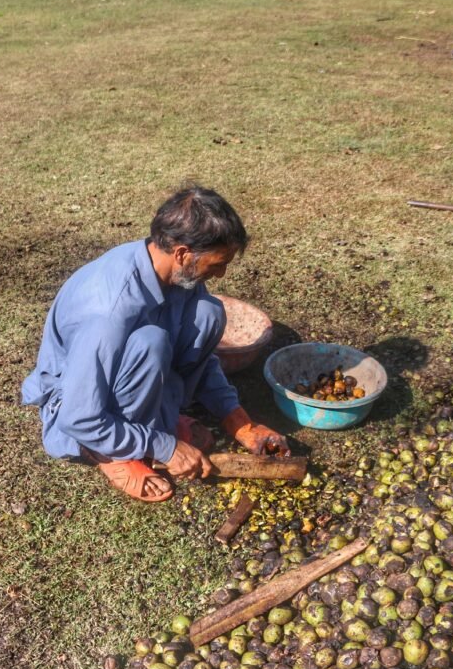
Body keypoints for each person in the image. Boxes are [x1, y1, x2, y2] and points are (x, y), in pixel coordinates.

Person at [21, 186, 289, 502]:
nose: (222, 273)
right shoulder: (108, 312)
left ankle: (157, 419)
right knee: (151, 342)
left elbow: (200, 355)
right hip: (75, 406)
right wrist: (167, 447)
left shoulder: (172, 269)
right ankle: (112, 453)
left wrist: (238, 420)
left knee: (208, 313)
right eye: (217, 263)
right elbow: (79, 416)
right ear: (182, 253)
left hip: (131, 375)